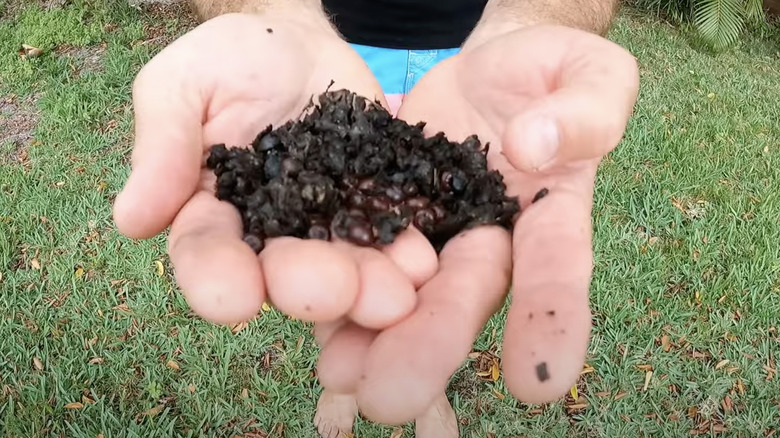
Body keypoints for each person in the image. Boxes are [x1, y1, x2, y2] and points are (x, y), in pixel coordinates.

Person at [113, 0, 639, 436]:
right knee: (331, 268)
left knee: (443, 261)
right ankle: (340, 381)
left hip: (484, 55)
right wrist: (268, 13)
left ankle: (429, 389)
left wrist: (536, 22)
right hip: (317, 42)